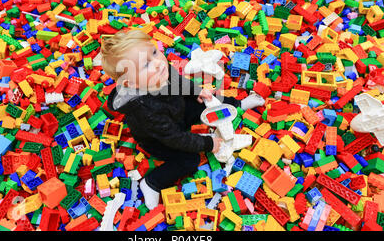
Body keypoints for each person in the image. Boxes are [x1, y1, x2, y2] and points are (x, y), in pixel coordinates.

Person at [101, 29, 265, 209]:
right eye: (145, 65)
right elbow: (175, 138)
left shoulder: (160, 69)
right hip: (158, 139)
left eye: (154, 52)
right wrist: (208, 143)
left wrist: (195, 91)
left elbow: (177, 80)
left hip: (176, 110)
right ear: (131, 83)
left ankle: (238, 104)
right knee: (189, 160)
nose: (157, 63)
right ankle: (152, 183)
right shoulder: (146, 111)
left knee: (207, 99)